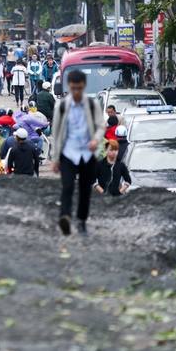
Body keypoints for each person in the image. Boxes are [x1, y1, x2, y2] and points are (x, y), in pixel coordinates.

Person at [51, 70, 105, 237]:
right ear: (69, 86)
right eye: (73, 88)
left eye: (79, 88)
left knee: (84, 189)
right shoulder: (61, 106)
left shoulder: (92, 104)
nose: (76, 92)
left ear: (84, 86)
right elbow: (56, 131)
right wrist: (54, 157)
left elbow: (101, 125)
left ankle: (81, 222)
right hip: (68, 153)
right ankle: (65, 216)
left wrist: (96, 139)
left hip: (87, 154)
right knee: (67, 186)